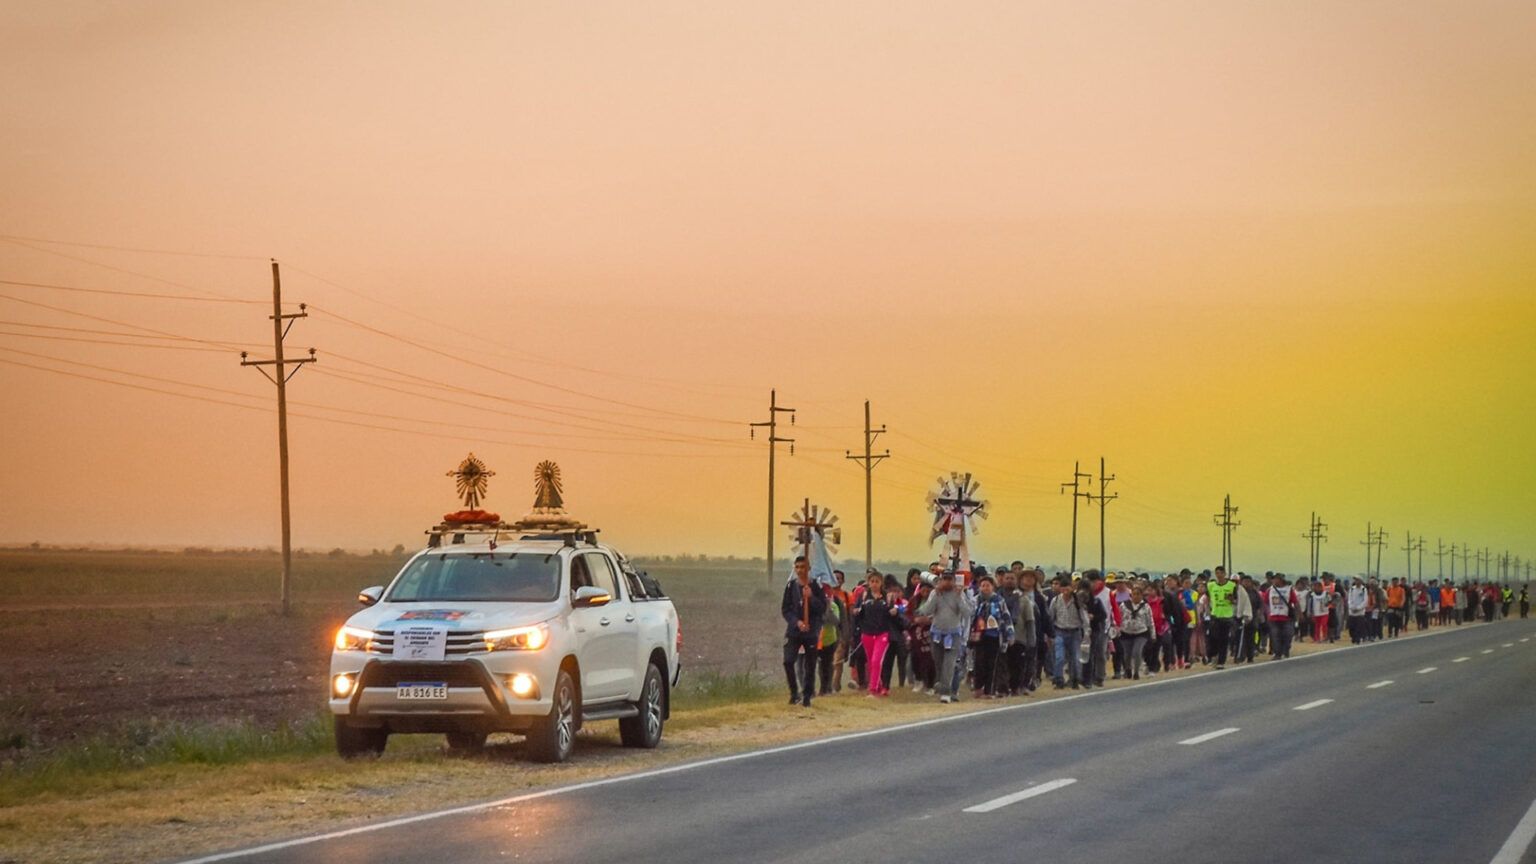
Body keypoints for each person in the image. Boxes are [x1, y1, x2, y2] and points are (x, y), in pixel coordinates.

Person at [918, 571, 975, 704]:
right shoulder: (935, 593)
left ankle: (946, 692)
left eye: (950, 579)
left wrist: (959, 596)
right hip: (936, 634)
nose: (947, 582)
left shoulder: (959, 594)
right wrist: (935, 595)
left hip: (953, 634)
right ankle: (941, 684)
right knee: (938, 663)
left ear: (954, 581)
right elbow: (926, 610)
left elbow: (967, 613)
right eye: (945, 579)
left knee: (949, 664)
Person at [780, 556, 826, 707]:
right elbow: (785, 609)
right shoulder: (791, 586)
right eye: (797, 567)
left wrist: (811, 597)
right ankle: (794, 693)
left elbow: (822, 608)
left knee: (810, 665)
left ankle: (807, 695)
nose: (800, 570)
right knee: (788, 661)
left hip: (811, 631)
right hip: (794, 631)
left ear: (809, 568)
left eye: (803, 567)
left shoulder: (816, 586)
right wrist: (797, 622)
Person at [852, 571, 894, 698]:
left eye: (877, 581)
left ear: (881, 583)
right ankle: (880, 686)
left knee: (876, 660)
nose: (874, 584)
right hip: (867, 633)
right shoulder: (864, 596)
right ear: (869, 583)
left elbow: (893, 611)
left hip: (882, 633)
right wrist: (857, 611)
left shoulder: (887, 597)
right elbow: (856, 611)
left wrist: (894, 611)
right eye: (872, 581)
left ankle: (873, 690)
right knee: (871, 662)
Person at [970, 574, 1012, 699]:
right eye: (983, 585)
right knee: (978, 663)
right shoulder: (975, 600)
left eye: (988, 585)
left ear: (993, 587)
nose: (985, 588)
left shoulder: (999, 600)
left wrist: (1010, 634)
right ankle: (978, 688)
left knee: (992, 664)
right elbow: (970, 617)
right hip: (978, 635)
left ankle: (989, 691)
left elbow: (1006, 617)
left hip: (994, 635)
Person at [1001, 569, 1036, 696]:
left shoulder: (1023, 599)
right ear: (1002, 580)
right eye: (1007, 578)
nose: (1009, 581)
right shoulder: (998, 598)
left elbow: (1030, 621)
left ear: (1016, 581)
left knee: (1017, 666)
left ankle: (1015, 688)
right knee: (1003, 665)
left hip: (1019, 637)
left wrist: (1031, 640)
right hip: (1001, 638)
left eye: (1012, 578)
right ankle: (1003, 689)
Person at [1048, 574, 1086, 689]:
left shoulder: (1077, 601)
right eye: (1063, 587)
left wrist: (1086, 632)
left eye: (1068, 587)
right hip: (1059, 631)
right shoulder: (1055, 600)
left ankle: (1075, 679)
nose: (1065, 590)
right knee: (1059, 657)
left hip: (1075, 632)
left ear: (1072, 588)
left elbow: (1083, 617)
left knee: (1075, 658)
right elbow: (1051, 617)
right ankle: (1058, 679)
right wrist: (1049, 634)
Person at [1116, 583, 1153, 680]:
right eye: (1134, 594)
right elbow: (1119, 618)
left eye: (1138, 594)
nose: (1136, 596)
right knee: (1127, 654)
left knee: (1137, 652)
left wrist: (1153, 634)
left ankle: (1136, 671)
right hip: (1126, 632)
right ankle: (1128, 668)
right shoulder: (1124, 605)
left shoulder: (1146, 606)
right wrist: (1117, 630)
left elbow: (1150, 621)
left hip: (1141, 632)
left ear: (1142, 595)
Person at [1262, 573, 1298, 660]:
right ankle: (1277, 653)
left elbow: (1295, 602)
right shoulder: (1270, 590)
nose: (1275, 581)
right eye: (1274, 579)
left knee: (1287, 634)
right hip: (1273, 617)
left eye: (1277, 579)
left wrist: (1298, 614)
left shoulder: (1289, 590)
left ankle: (1286, 649)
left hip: (1286, 617)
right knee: (1275, 636)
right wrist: (1267, 613)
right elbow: (1265, 603)